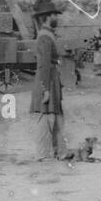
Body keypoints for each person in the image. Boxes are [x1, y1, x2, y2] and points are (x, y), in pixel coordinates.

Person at [32, 9, 67, 160]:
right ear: (47, 17)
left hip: (53, 77)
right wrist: (45, 89)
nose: (56, 17)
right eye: (54, 15)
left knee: (58, 115)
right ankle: (41, 154)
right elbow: (44, 65)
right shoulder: (44, 36)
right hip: (47, 79)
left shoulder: (49, 33)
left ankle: (60, 151)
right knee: (45, 116)